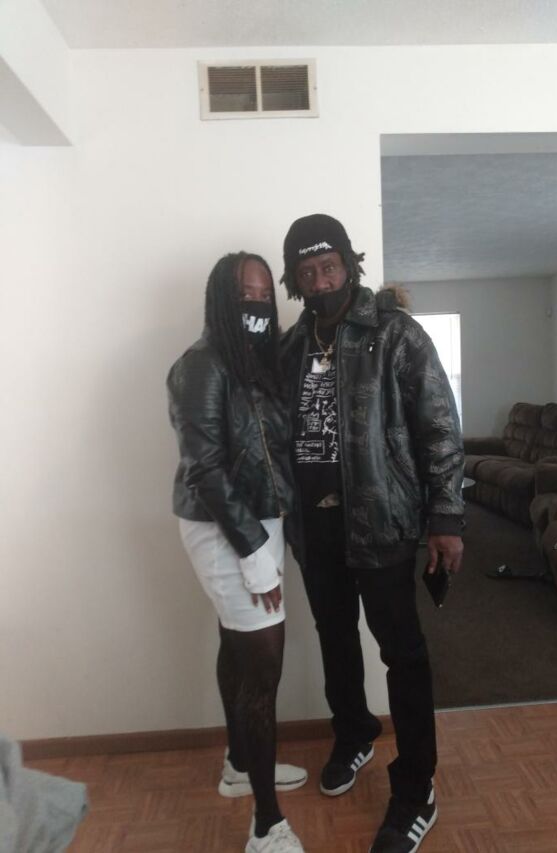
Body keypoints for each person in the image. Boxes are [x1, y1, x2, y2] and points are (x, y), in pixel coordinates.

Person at [280, 215, 464, 853]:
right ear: (295, 281)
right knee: (335, 639)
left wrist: (446, 518)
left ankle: (416, 789)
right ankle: (355, 733)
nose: (320, 281)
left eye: (329, 267)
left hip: (381, 522)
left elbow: (440, 428)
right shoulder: (292, 346)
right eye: (307, 273)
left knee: (402, 655)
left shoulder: (396, 333)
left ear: (349, 265)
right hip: (314, 530)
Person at [167, 252, 307, 853]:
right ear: (221, 299)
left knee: (240, 644)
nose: (256, 302)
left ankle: (240, 766)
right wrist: (253, 553)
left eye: (263, 293)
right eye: (244, 292)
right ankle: (266, 825)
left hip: (260, 521)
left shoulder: (258, 362)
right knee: (263, 666)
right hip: (223, 527)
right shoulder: (201, 364)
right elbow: (205, 469)